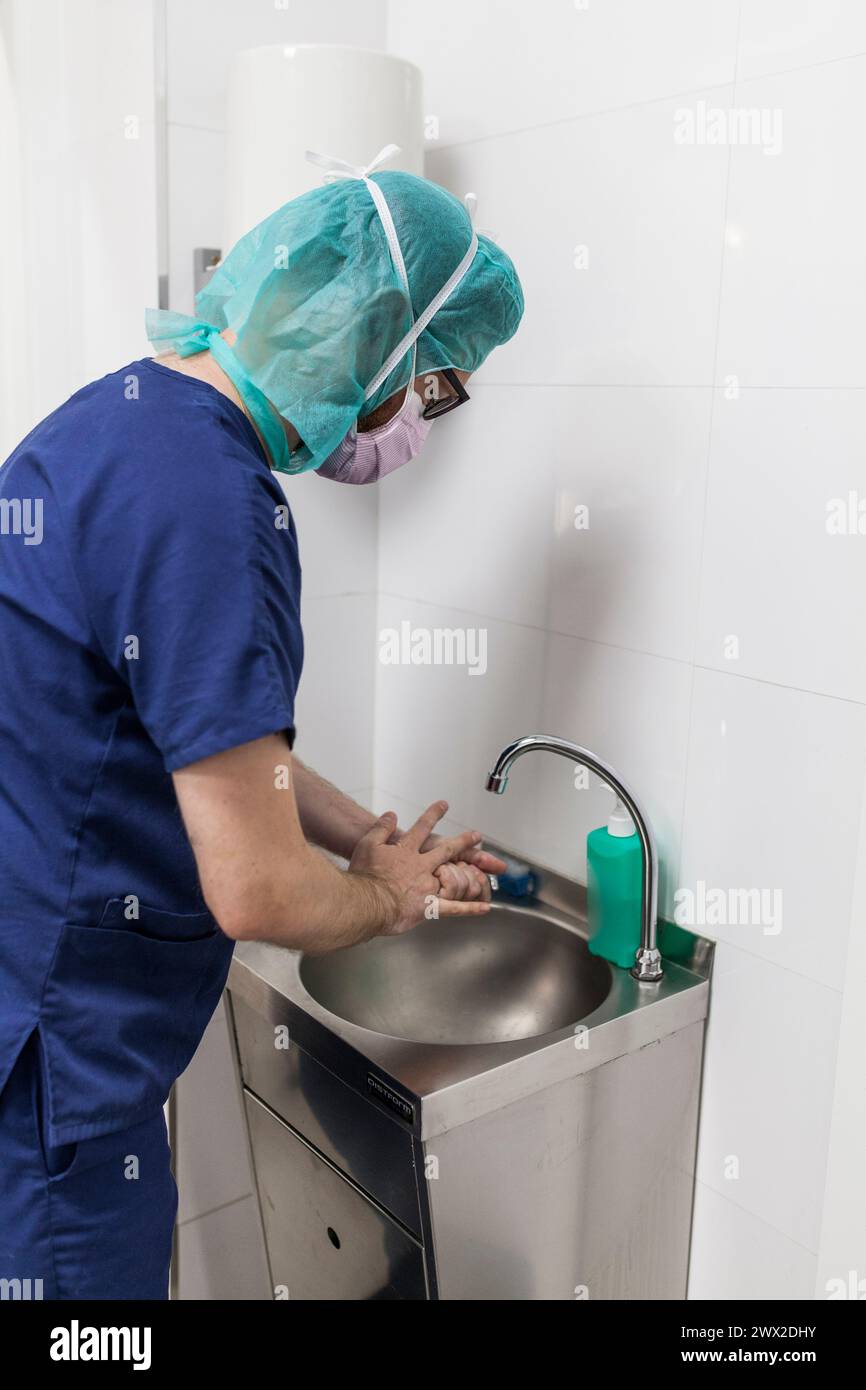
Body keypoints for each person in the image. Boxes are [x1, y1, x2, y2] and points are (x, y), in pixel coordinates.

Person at [0, 149, 524, 1299]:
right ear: (375, 333)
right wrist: (388, 899)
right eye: (431, 383)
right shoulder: (213, 507)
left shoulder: (118, 425)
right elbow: (257, 892)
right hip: (56, 1083)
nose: (412, 423)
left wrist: (354, 837)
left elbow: (210, 743)